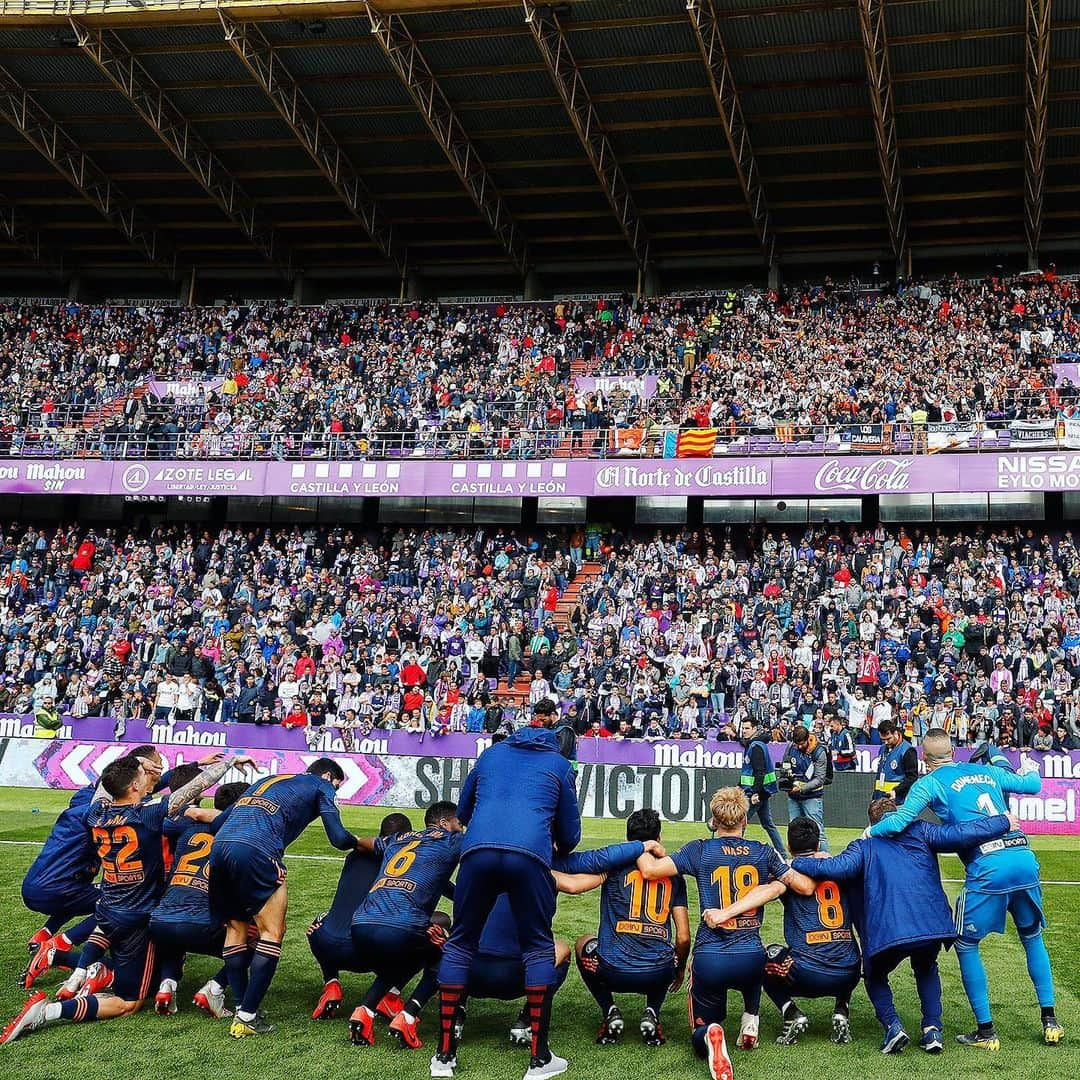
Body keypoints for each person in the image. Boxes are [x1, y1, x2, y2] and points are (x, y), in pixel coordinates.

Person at [1, 751, 248, 1044]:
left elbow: (107, 786)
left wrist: (135, 765)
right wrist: (228, 762)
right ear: (133, 786)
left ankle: (83, 970)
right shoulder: (147, 814)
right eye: (143, 776)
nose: (149, 780)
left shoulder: (96, 811)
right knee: (129, 1002)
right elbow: (191, 790)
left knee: (136, 968)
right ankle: (48, 1011)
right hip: (137, 916)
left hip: (108, 907)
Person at [868, 728, 1063, 1048]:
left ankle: (986, 1033)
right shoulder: (987, 770)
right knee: (1031, 937)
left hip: (988, 866)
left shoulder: (928, 782)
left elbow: (899, 821)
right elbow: (1033, 784)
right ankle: (1050, 1020)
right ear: (953, 753)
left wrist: (870, 832)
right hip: (1023, 857)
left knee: (967, 944)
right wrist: (1002, 756)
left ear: (925, 759)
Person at [792, 796, 1015, 1055]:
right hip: (932, 923)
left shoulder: (865, 845)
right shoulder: (921, 830)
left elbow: (835, 867)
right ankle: (933, 1030)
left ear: (871, 823)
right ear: (897, 814)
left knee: (875, 975)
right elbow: (961, 833)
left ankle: (893, 1027)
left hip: (890, 929)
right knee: (926, 967)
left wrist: (798, 860)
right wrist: (1003, 821)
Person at [435, 697, 580, 1080]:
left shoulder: (492, 754)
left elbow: (462, 813)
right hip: (529, 854)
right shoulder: (560, 764)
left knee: (461, 941)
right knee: (537, 945)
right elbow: (571, 835)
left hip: (478, 851)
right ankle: (538, 1059)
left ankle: (444, 1056)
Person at [636, 787, 816, 1080]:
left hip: (712, 956)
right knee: (754, 959)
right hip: (751, 958)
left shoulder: (699, 849)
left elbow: (651, 871)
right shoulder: (763, 851)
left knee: (700, 1030)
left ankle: (711, 1032)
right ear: (745, 819)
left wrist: (643, 846)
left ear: (714, 820)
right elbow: (805, 887)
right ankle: (750, 1017)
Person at [208, 758, 365, 1038]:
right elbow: (338, 839)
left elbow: (218, 822)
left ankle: (243, 1007)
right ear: (329, 775)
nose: (335, 792)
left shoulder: (267, 781)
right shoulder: (321, 785)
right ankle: (247, 1016)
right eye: (337, 786)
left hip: (219, 849)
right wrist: (361, 843)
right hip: (257, 851)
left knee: (236, 929)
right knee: (272, 932)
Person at [457, 841, 649, 1049]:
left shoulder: (484, 860)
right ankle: (527, 1021)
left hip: (466, 974)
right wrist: (611, 871)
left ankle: (456, 1014)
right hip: (515, 976)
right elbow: (577, 882)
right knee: (562, 949)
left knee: (455, 940)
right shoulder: (544, 867)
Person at [707, 816, 860, 1046]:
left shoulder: (788, 874)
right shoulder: (841, 869)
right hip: (849, 972)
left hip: (808, 972)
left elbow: (766, 887)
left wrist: (726, 911)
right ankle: (841, 1010)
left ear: (789, 846)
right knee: (844, 949)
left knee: (761, 958)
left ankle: (791, 1013)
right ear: (818, 845)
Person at [564, 809, 690, 1048]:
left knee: (583, 942)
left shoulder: (614, 866)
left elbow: (574, 884)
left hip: (613, 970)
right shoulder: (673, 875)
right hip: (658, 974)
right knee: (669, 953)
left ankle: (609, 1010)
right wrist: (679, 968)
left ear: (627, 839)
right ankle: (652, 1011)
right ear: (658, 838)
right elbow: (683, 937)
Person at [348, 802, 462, 1051]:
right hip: (401, 925)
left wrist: (352, 837)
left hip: (361, 923)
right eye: (458, 823)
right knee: (448, 952)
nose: (462, 828)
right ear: (444, 824)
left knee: (409, 954)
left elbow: (364, 843)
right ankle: (409, 1016)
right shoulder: (450, 840)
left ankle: (365, 1010)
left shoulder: (399, 838)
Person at [148, 780, 250, 1018]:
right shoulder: (242, 835)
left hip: (159, 920)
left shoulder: (187, 826)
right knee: (255, 942)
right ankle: (214, 988)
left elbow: (163, 821)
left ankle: (167, 985)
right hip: (200, 922)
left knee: (174, 937)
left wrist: (193, 812)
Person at [307, 811, 414, 1021]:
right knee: (419, 935)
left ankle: (331, 983)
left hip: (326, 945)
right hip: (364, 951)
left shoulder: (354, 855)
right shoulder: (403, 866)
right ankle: (390, 996)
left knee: (319, 922)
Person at [738, 717, 786, 854]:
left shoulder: (755, 746)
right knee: (768, 824)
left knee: (740, 822)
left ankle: (733, 852)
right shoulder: (757, 744)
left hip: (756, 792)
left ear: (754, 729)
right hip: (763, 791)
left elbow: (760, 772)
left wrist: (755, 793)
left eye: (747, 728)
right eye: (743, 728)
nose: (744, 731)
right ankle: (782, 853)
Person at [780, 727, 830, 852]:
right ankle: (798, 862)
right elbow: (785, 765)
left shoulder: (819, 751)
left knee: (818, 831)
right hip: (793, 797)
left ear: (808, 739)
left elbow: (820, 778)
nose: (799, 747)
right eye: (797, 744)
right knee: (794, 831)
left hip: (812, 797)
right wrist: (786, 776)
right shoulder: (791, 747)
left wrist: (801, 789)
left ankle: (827, 862)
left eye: (801, 744)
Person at [872, 719, 918, 803]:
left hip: (898, 800)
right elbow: (879, 775)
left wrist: (896, 791)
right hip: (880, 800)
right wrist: (874, 797)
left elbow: (912, 777)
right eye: (883, 739)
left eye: (888, 739)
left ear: (895, 733)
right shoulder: (882, 749)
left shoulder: (907, 750)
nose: (885, 742)